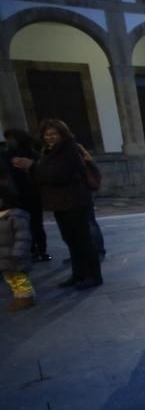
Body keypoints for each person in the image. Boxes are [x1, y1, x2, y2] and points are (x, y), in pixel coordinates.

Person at [31, 119, 102, 290]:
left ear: (63, 134)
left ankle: (94, 275)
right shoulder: (49, 151)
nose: (50, 137)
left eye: (54, 134)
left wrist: (33, 167)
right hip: (61, 203)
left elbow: (59, 175)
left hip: (75, 202)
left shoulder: (70, 150)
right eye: (47, 134)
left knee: (83, 240)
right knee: (70, 240)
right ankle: (78, 274)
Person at [4, 129, 49, 262]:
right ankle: (29, 250)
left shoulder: (33, 155)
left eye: (11, 138)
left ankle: (41, 250)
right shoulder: (6, 155)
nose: (8, 141)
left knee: (36, 224)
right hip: (14, 196)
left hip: (32, 195)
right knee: (18, 226)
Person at [0, 173, 35, 311]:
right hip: (3, 257)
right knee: (10, 278)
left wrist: (18, 252)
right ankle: (18, 296)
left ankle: (26, 297)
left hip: (15, 256)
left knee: (20, 278)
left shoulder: (15, 216)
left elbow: (23, 237)